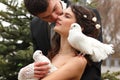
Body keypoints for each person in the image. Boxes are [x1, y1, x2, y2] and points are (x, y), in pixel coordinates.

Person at [24, 0, 103, 80]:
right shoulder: (35, 25)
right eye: (46, 17)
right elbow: (40, 60)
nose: (56, 17)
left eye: (55, 9)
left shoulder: (78, 61)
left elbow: (95, 58)